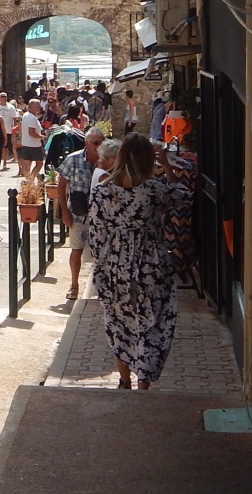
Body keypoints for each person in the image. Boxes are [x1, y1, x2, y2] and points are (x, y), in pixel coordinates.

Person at [85, 133, 191, 390]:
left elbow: (96, 235)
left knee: (118, 321)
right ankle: (143, 381)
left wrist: (103, 266)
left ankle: (124, 380)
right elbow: (183, 195)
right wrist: (165, 165)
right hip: (150, 264)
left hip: (115, 266)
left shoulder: (102, 191)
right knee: (150, 323)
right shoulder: (153, 190)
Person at [56, 127, 105, 300]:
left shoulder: (107, 161)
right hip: (78, 213)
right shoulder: (73, 160)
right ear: (87, 143)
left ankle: (100, 287)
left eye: (101, 143)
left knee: (102, 252)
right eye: (95, 143)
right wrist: (64, 213)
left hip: (101, 216)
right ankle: (74, 285)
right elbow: (61, 187)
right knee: (76, 250)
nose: (98, 147)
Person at [17, 99, 46, 180]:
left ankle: (29, 182)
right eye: (38, 106)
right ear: (31, 107)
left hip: (26, 144)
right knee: (39, 163)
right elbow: (32, 133)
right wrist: (42, 137)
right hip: (34, 145)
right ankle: (31, 180)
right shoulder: (32, 118)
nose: (39, 108)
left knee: (27, 166)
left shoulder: (25, 115)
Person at [0, 92, 18, 167]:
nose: (4, 98)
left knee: (5, 147)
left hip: (8, 129)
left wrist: (14, 128)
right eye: (2, 96)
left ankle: (5, 163)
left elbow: (14, 118)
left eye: (5, 96)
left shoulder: (11, 107)